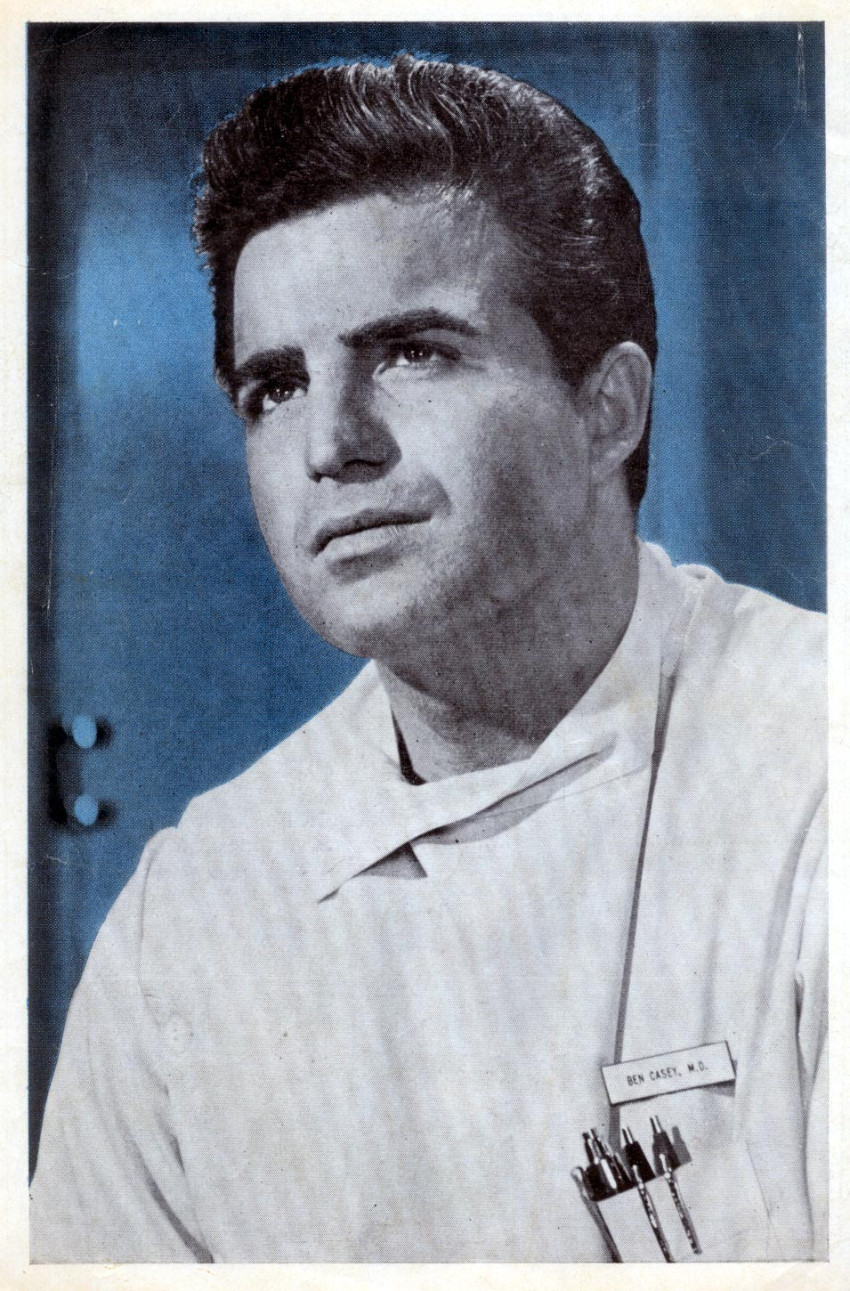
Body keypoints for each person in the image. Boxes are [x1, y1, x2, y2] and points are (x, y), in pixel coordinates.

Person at [30, 55, 826, 1263]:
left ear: (607, 408)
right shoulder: (189, 917)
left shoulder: (812, 768)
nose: (331, 444)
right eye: (275, 386)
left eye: (411, 352)